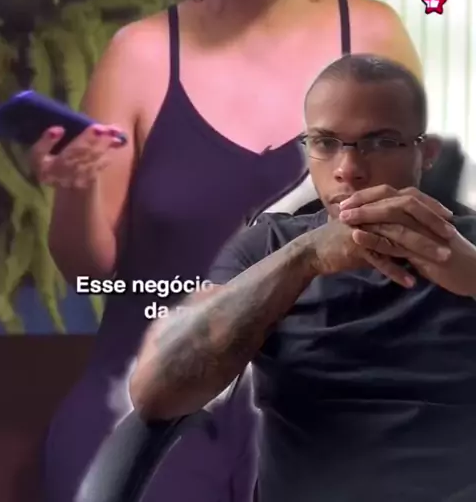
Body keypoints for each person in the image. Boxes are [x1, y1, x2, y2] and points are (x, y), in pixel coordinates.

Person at [31, 0, 423, 502]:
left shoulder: (372, 35)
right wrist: (76, 186)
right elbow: (87, 270)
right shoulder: (138, 55)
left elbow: (406, 231)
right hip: (149, 396)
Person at [131, 55, 476, 502]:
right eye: (326, 142)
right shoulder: (268, 248)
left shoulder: (470, 248)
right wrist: (305, 257)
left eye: (381, 142)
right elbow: (156, 392)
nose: (348, 168)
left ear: (426, 154)